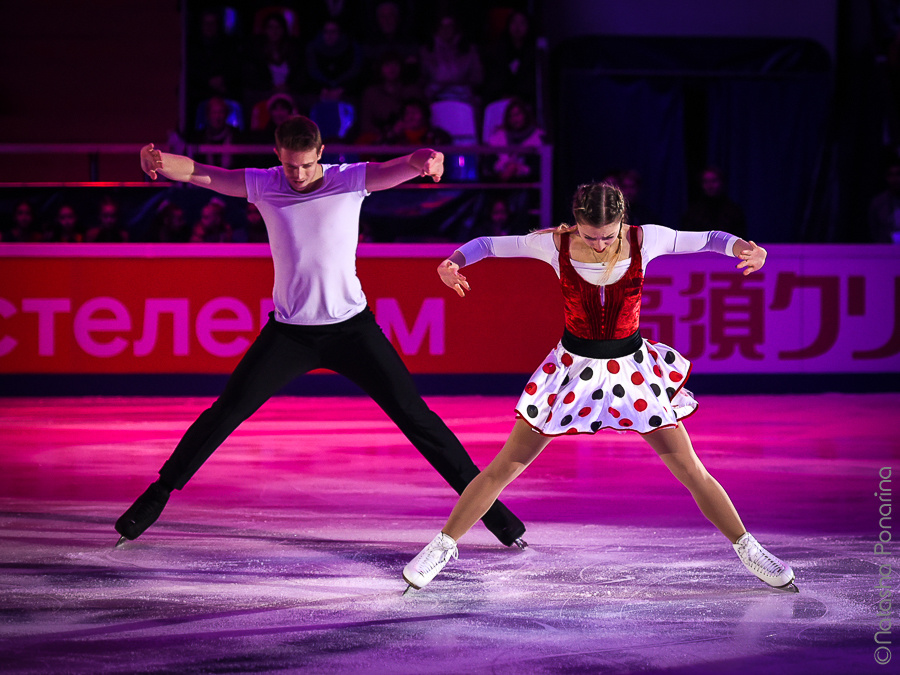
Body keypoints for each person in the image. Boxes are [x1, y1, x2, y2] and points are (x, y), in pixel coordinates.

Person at [115, 115, 526, 550]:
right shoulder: (265, 183)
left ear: (321, 154)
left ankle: (494, 514)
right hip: (290, 335)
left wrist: (426, 159)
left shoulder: (348, 180)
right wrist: (159, 161)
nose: (298, 175)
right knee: (225, 412)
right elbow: (206, 174)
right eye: (291, 166)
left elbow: (397, 167)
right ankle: (157, 495)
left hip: (353, 331)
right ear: (278, 156)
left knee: (417, 418)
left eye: (307, 166)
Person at [402, 181, 796, 593]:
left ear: (621, 221)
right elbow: (486, 244)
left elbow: (711, 239)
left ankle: (748, 548)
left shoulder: (648, 238)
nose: (600, 243)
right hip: (571, 370)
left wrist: (746, 249)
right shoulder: (554, 245)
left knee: (690, 469)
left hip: (633, 372)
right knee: (505, 466)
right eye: (590, 235)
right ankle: (442, 546)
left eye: (608, 235)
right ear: (576, 224)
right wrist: (452, 262)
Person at [681, 166, 748, 241]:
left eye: (714, 181)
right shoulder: (693, 212)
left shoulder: (733, 211)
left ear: (722, 182)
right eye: (706, 181)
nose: (710, 186)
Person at [868, 157, 900, 243]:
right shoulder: (878, 202)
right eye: (891, 175)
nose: (895, 179)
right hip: (885, 248)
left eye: (898, 174)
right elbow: (873, 230)